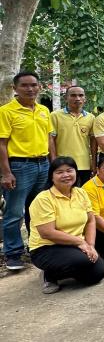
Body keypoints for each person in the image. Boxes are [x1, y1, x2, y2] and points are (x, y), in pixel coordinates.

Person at [28, 157, 104, 294]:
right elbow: (47, 233)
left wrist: (91, 245)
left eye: (70, 170)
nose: (66, 175)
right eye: (59, 172)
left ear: (76, 172)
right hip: (46, 247)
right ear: (51, 176)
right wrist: (80, 242)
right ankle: (50, 274)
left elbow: (90, 221)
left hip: (73, 245)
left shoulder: (80, 193)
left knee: (98, 273)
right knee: (83, 261)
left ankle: (65, 270)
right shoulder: (43, 199)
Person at [0, 71, 53, 271]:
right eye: (25, 85)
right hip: (19, 166)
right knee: (14, 212)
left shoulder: (43, 110)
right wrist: (6, 172)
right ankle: (13, 254)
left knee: (38, 209)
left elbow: (49, 139)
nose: (30, 89)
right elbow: (2, 144)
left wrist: (52, 163)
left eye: (33, 85)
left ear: (39, 87)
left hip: (43, 165)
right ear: (15, 88)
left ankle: (36, 247)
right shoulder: (6, 111)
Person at [50, 85, 96, 186]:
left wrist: (94, 163)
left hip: (84, 165)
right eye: (73, 95)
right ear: (66, 98)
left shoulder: (91, 117)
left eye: (81, 95)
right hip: (63, 165)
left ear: (85, 98)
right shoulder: (55, 116)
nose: (77, 98)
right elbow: (51, 139)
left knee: (82, 194)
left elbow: (93, 143)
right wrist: (53, 162)